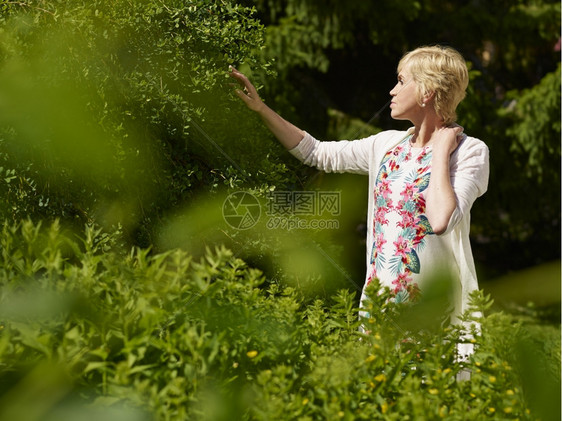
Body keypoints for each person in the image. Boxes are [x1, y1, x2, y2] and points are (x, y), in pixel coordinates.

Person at [229, 46, 489, 358]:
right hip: (378, 306)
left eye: (401, 81)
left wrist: (440, 150)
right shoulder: (386, 144)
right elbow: (316, 152)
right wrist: (261, 109)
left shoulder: (469, 152)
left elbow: (440, 221)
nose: (392, 90)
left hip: (431, 311)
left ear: (427, 92)